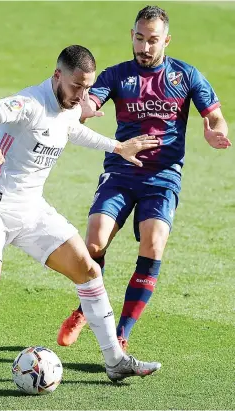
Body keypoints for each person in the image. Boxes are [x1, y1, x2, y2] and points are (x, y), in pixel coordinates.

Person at [0, 45, 162, 391]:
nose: (83, 96)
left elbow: (72, 130)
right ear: (57, 75)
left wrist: (117, 146)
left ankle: (114, 360)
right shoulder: (30, 104)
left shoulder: (71, 105)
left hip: (32, 209)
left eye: (88, 88)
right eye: (76, 87)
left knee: (88, 270)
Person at [57, 7, 231, 349]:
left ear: (166, 40)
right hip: (121, 170)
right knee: (94, 243)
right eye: (139, 39)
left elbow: (217, 118)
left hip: (163, 177)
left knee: (153, 246)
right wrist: (83, 111)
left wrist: (215, 132)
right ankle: (84, 310)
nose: (145, 47)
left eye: (153, 40)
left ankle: (121, 335)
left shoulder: (186, 75)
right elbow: (88, 102)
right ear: (132, 36)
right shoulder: (118, 75)